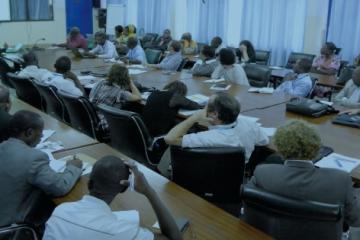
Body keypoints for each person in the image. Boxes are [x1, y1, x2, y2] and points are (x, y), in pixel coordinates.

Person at [246, 120, 360, 227]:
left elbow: (248, 203)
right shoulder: (340, 180)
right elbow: (355, 220)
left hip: (274, 232)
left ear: (280, 149)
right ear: (317, 149)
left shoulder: (263, 172)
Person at [43, 156, 182, 240]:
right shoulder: (122, 232)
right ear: (124, 188)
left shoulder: (60, 211)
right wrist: (148, 191)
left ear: (89, 182)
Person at [0, 110, 83, 227]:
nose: (41, 137)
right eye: (41, 133)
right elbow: (60, 187)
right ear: (29, 132)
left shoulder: (2, 146)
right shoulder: (34, 158)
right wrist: (73, 167)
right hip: (8, 227)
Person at [159, 93, 269, 176]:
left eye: (206, 106)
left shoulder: (207, 138)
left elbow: (169, 138)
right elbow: (265, 141)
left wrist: (194, 118)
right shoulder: (250, 125)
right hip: (234, 179)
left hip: (202, 177)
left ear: (214, 114)